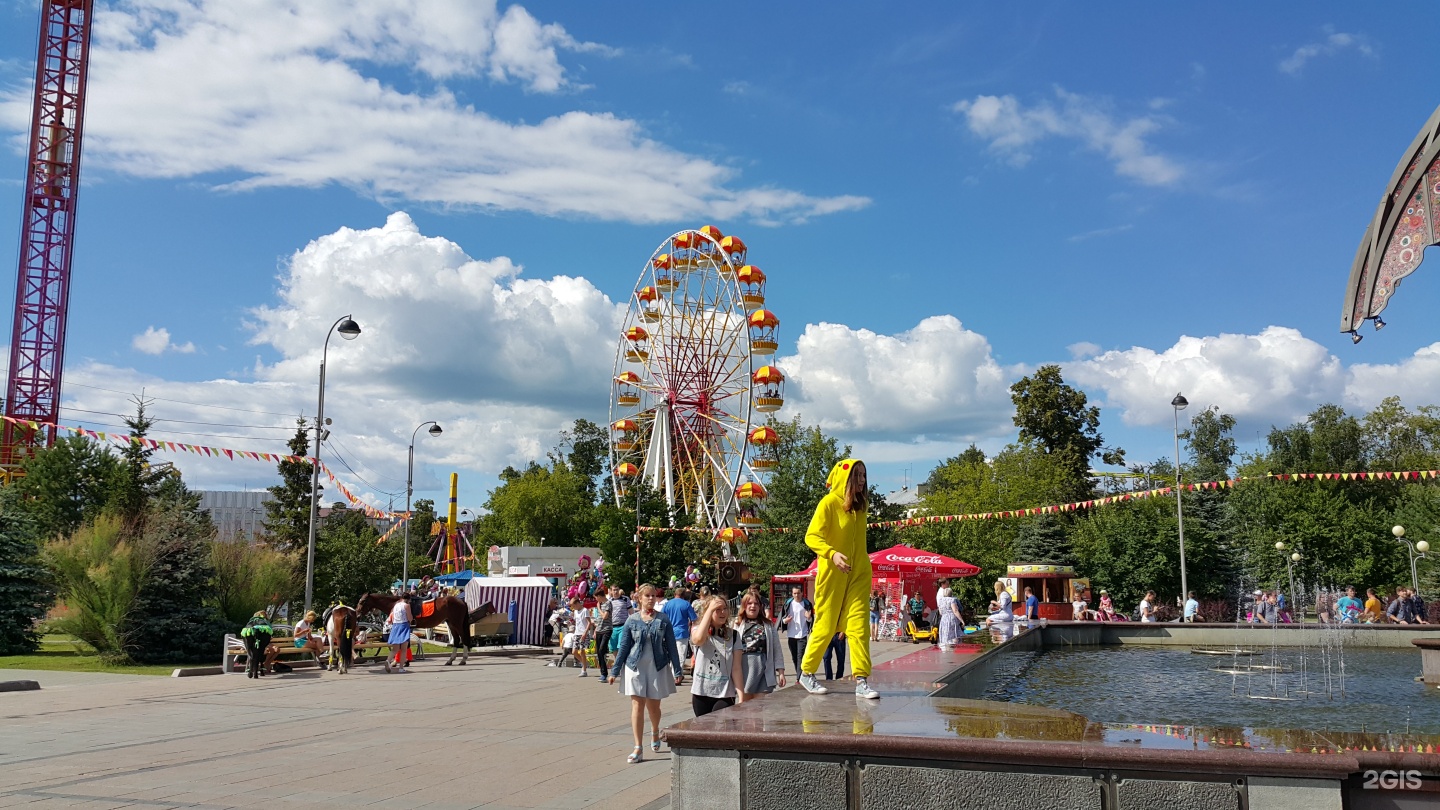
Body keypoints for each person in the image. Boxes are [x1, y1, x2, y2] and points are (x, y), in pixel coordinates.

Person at [797, 459, 880, 700]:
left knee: (859, 627)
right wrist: (832, 554)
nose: (863, 480)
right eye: (858, 475)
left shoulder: (861, 507)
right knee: (826, 625)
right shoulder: (829, 503)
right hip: (833, 574)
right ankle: (806, 672)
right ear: (846, 478)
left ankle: (862, 680)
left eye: (864, 475)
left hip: (858, 573)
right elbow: (811, 536)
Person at [609, 583, 683, 764]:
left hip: (656, 666)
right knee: (637, 705)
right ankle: (637, 747)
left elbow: (672, 646)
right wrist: (615, 670)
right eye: (647, 596)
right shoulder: (631, 620)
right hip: (635, 667)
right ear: (639, 598)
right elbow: (624, 646)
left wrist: (677, 669)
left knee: (654, 707)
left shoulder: (663, 619)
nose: (651, 598)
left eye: (653, 595)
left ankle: (655, 731)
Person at [690, 595, 740, 717]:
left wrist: (741, 694)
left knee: (721, 726)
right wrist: (709, 611)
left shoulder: (733, 635)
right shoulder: (698, 630)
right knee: (703, 731)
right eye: (717, 609)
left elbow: (737, 668)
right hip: (701, 691)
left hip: (725, 692)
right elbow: (698, 640)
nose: (722, 612)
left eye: (725, 608)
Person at [734, 590, 786, 702]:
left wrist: (781, 672)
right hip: (744, 669)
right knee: (744, 706)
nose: (753, 606)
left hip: (763, 669)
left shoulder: (768, 625)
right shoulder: (737, 624)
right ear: (744, 606)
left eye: (756, 603)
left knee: (759, 708)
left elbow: (777, 649)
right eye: (749, 603)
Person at [662, 586, 699, 680]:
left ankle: (669, 674)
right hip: (682, 632)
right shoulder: (686, 604)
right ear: (684, 595)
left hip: (669, 632)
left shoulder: (667, 604)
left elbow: (661, 617)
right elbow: (694, 619)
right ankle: (676, 675)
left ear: (675, 594)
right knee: (680, 655)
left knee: (670, 654)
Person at [780, 584, 814, 677]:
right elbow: (782, 618)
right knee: (794, 657)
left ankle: (799, 678)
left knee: (800, 657)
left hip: (802, 634)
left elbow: (811, 620)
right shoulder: (788, 603)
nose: (796, 595)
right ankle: (799, 674)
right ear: (792, 594)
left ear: (802, 593)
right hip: (791, 635)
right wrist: (785, 621)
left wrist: (809, 618)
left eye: (798, 593)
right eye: (794, 593)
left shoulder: (807, 604)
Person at [385, 596, 412, 673]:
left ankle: (388, 660)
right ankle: (401, 668)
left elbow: (392, 618)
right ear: (408, 599)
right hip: (404, 626)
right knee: (404, 649)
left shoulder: (396, 605)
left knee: (395, 649)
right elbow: (410, 618)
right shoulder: (407, 605)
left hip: (395, 626)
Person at [594, 590, 614, 680]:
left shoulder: (608, 603)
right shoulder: (601, 604)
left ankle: (605, 673)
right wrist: (595, 630)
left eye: (596, 597)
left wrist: (598, 608)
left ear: (600, 596)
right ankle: (603, 673)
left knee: (602, 650)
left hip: (606, 629)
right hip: (599, 629)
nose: (596, 600)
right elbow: (599, 619)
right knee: (599, 652)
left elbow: (605, 616)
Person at [608, 586, 632, 653]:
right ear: (611, 591)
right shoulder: (609, 601)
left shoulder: (625, 599)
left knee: (621, 646)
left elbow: (631, 612)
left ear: (619, 590)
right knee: (613, 648)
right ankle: (617, 662)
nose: (615, 592)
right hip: (612, 627)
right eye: (614, 590)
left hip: (623, 626)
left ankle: (621, 662)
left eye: (617, 590)